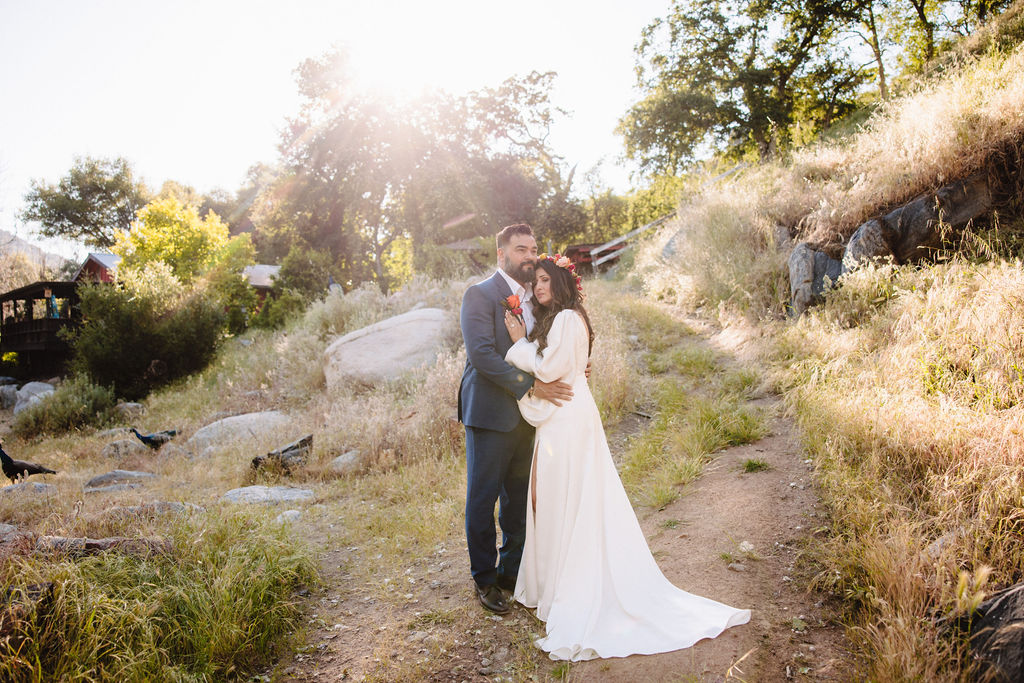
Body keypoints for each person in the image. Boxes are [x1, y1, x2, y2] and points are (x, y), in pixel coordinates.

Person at [502, 254, 751, 661]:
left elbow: (547, 370)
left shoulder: (566, 319)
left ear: (562, 283)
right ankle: (558, 581)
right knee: (561, 496)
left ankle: (567, 586)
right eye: (536, 282)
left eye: (545, 280)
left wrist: (518, 345)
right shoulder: (569, 319)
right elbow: (564, 369)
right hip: (570, 415)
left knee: (561, 496)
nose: (538, 287)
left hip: (567, 421)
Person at [458, 224, 574, 615]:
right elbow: (482, 355)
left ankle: (511, 571)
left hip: (528, 418)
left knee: (519, 499)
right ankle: (485, 579)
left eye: (534, 248)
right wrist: (533, 387)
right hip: (490, 413)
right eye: (521, 249)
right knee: (483, 497)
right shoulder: (479, 294)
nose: (529, 255)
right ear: (501, 254)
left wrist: (569, 368)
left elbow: (547, 346)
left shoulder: (538, 296)